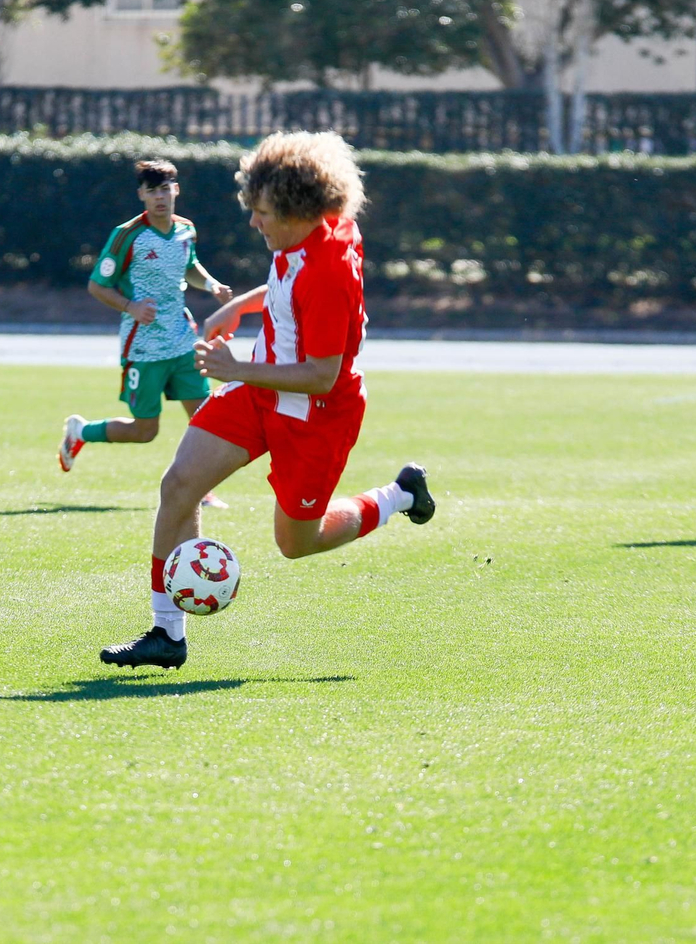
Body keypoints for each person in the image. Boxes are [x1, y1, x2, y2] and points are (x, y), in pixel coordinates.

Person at [100, 132, 436, 670]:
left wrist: (236, 368)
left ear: (296, 210)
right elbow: (286, 281)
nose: (253, 223)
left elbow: (323, 376)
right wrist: (243, 308)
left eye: (260, 212)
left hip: (317, 414)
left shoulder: (331, 269)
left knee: (297, 542)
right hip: (260, 391)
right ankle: (167, 634)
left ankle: (398, 495)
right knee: (180, 484)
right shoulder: (303, 238)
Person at [58, 159, 236, 507]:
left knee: (203, 417)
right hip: (143, 345)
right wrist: (131, 307)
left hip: (182, 338)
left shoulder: (186, 230)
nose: (160, 197)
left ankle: (200, 488)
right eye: (152, 190)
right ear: (141, 194)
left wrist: (211, 284)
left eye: (166, 189)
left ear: (176, 191)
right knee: (145, 431)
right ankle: (81, 432)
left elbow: (189, 267)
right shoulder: (128, 236)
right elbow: (97, 285)